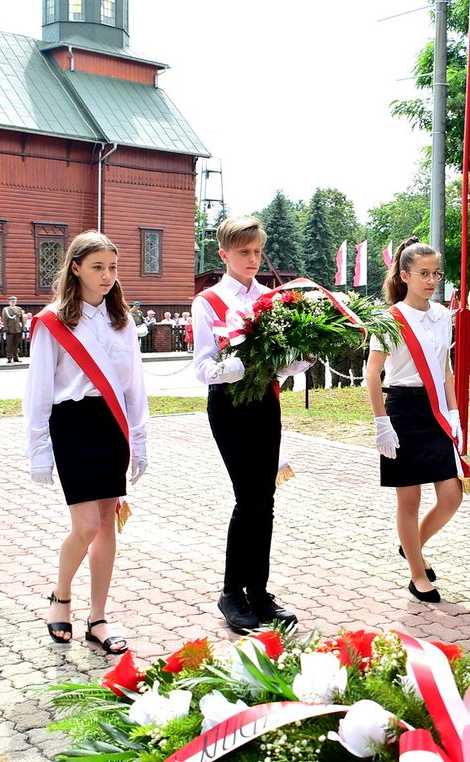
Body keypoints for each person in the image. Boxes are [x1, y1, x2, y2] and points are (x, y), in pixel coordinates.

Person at [24, 230, 148, 653]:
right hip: (73, 424)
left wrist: (140, 439)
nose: (107, 275)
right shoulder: (54, 321)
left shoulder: (122, 320)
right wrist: (38, 449)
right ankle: (61, 598)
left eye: (112, 267)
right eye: (97, 267)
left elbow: (134, 386)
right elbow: (38, 390)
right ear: (75, 267)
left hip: (110, 424)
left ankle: (98, 617)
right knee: (86, 526)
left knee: (108, 528)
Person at [192, 215, 311, 634]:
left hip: (266, 404)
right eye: (244, 252)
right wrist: (240, 365)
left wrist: (303, 357)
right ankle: (230, 593)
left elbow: (287, 362)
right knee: (248, 499)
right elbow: (203, 369)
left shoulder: (275, 298)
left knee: (266, 499)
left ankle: (258, 593)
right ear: (224, 254)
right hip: (228, 406)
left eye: (258, 251)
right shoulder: (208, 301)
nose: (253, 259)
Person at [366, 237, 466, 604]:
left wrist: (454, 413)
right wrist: (382, 422)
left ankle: (412, 547)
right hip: (403, 411)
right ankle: (417, 575)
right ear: (405, 275)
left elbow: (445, 368)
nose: (431, 280)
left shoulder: (442, 316)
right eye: (423, 273)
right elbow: (372, 373)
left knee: (452, 495)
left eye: (435, 273)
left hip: (435, 409)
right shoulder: (389, 320)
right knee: (409, 500)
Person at [2, 296, 24, 363]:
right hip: (10, 329)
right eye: (12, 301)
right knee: (9, 344)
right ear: (9, 302)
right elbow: (5, 320)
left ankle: (16, 357)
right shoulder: (6, 309)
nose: (13, 303)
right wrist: (6, 329)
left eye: (14, 301)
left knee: (16, 344)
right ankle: (9, 357)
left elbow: (21, 319)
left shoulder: (19, 309)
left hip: (17, 329)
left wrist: (22, 328)